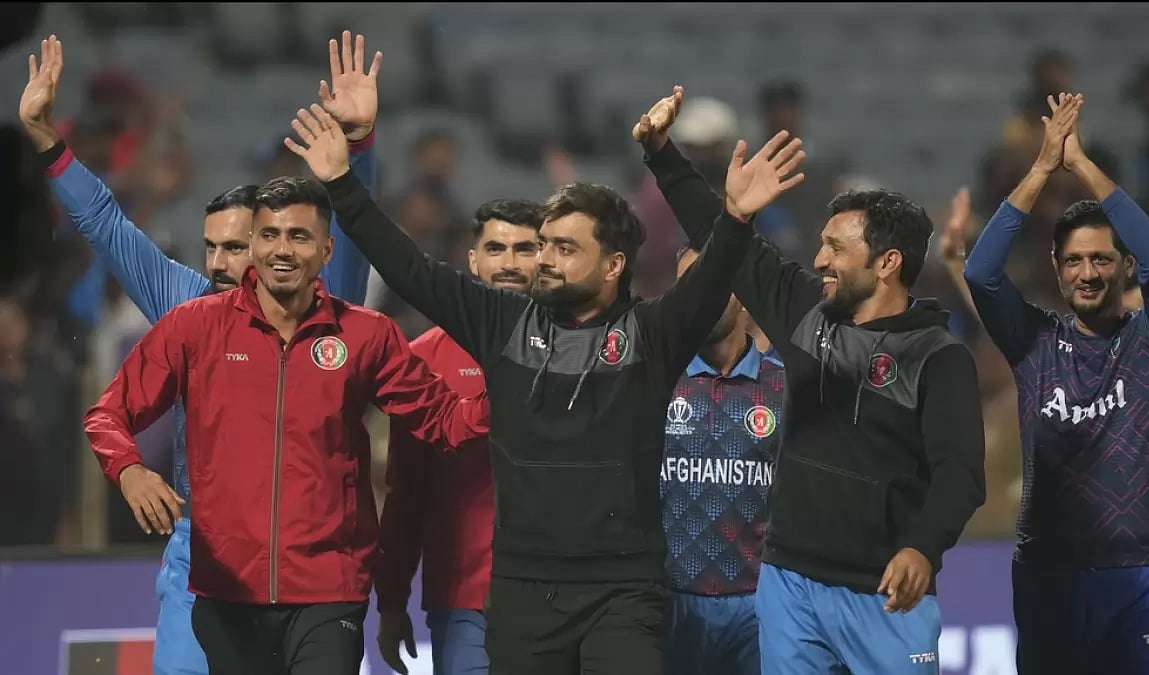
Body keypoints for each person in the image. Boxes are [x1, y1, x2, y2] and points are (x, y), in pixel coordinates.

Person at [283, 99, 804, 674]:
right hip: (522, 595)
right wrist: (340, 181)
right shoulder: (501, 323)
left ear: (612, 265)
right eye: (546, 245)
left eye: (564, 248)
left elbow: (710, 284)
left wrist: (734, 221)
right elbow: (408, 266)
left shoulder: (652, 335)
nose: (545, 261)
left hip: (624, 597)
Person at [18, 32, 382, 675]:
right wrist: (48, 142)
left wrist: (359, 149)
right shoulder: (189, 304)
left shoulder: (336, 304)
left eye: (234, 249)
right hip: (204, 550)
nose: (217, 264)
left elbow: (354, 224)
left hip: (314, 558)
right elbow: (106, 226)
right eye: (210, 248)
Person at [634, 86, 985, 675]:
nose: (819, 260)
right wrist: (664, 154)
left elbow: (961, 474)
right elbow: (724, 244)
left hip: (885, 588)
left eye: (834, 248)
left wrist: (924, 546)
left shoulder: (938, 356)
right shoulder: (805, 315)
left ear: (887, 262)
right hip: (789, 582)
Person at [83, 172, 491, 675]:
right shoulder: (197, 326)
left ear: (326, 250)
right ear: (252, 243)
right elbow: (108, 413)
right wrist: (129, 470)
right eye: (270, 235)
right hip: (226, 592)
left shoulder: (366, 336)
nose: (283, 250)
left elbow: (446, 420)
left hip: (329, 594)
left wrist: (514, 389)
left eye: (299, 236)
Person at [963, 93, 1149, 674]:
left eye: (1100, 260)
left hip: (1143, 574)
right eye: (1073, 261)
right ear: (1057, 267)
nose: (1087, 273)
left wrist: (1083, 166)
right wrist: (1041, 168)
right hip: (1049, 575)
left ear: (1124, 267)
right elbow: (981, 272)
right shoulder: (1035, 341)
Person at [375, 198, 544, 675]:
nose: (509, 263)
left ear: (546, 255)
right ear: (473, 259)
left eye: (524, 248)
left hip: (563, 597)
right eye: (495, 248)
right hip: (465, 602)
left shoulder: (583, 348)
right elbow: (405, 492)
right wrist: (391, 602)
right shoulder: (424, 359)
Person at [659, 247, 785, 675]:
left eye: (713, 280)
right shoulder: (651, 380)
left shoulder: (787, 387)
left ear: (745, 295)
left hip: (759, 609)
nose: (698, 295)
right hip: (666, 604)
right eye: (687, 285)